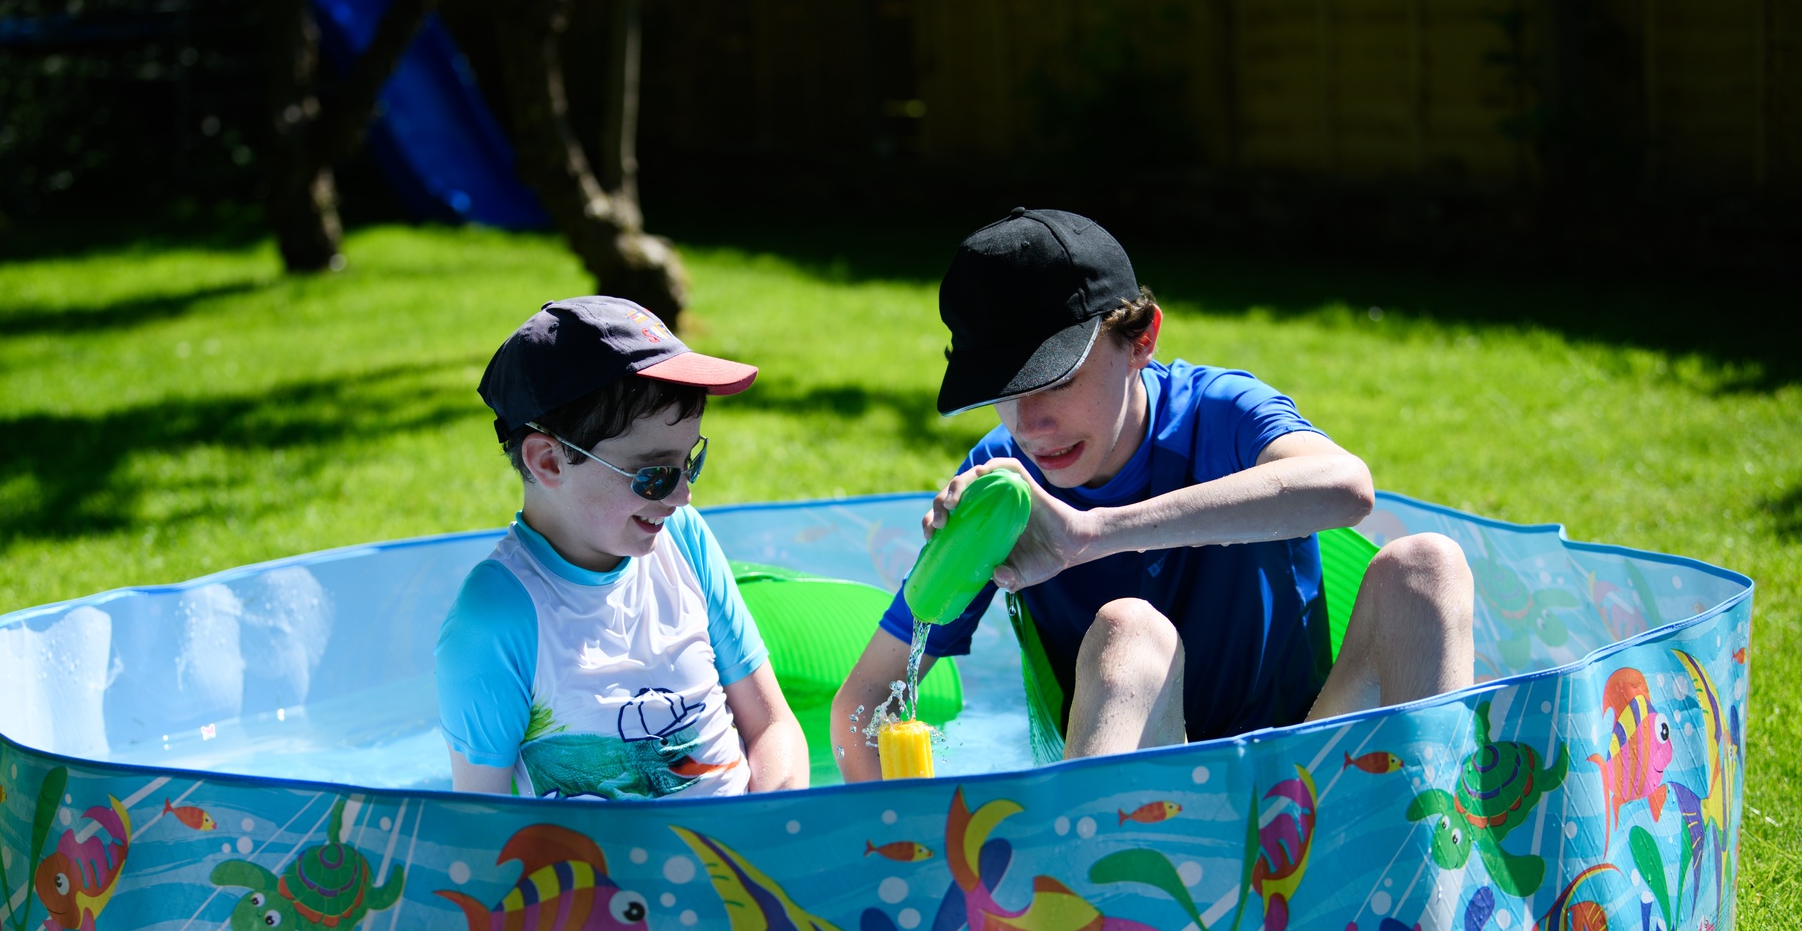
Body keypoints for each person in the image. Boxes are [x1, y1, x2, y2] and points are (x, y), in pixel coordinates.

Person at [834, 209, 1473, 780]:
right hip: (1135, 813)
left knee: (1428, 566)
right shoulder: (1002, 484)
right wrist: (908, 850)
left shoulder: (1218, 413)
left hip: (1308, 780)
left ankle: (1434, 857)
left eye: (1056, 380)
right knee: (1130, 630)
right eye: (1003, 391)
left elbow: (1346, 488)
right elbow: (863, 700)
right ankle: (1086, 877)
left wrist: (1093, 533)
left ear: (1141, 340)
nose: (1031, 426)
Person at [437, 295, 809, 798]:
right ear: (548, 461)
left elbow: (771, 725)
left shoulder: (684, 539)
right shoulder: (497, 616)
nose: (683, 495)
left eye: (690, 462)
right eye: (654, 474)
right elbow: (482, 821)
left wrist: (773, 818)